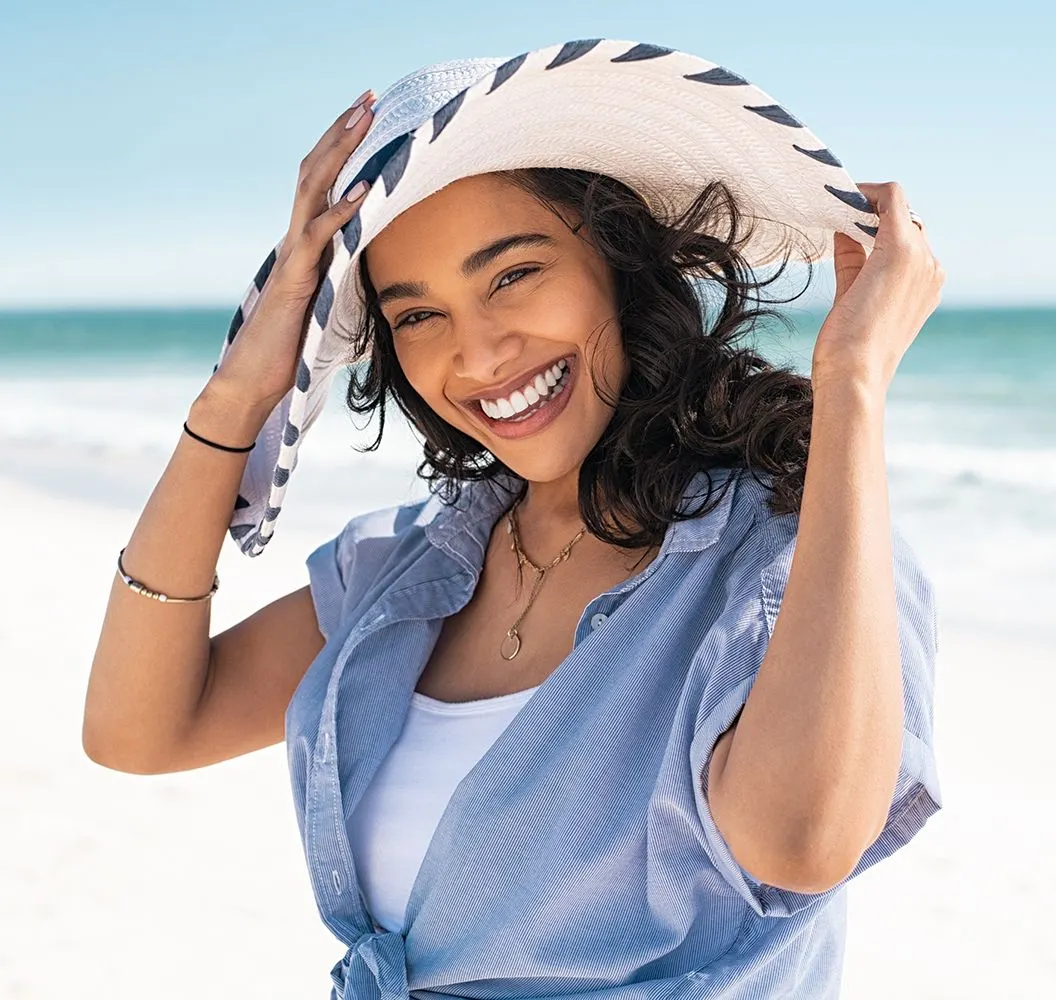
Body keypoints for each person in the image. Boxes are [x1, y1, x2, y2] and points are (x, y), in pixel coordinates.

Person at [81, 41, 944, 999]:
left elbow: (801, 843)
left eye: (513, 275)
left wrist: (852, 391)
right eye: (416, 317)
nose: (480, 354)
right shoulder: (405, 573)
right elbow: (137, 730)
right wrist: (238, 397)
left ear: (617, 263)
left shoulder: (787, 557)